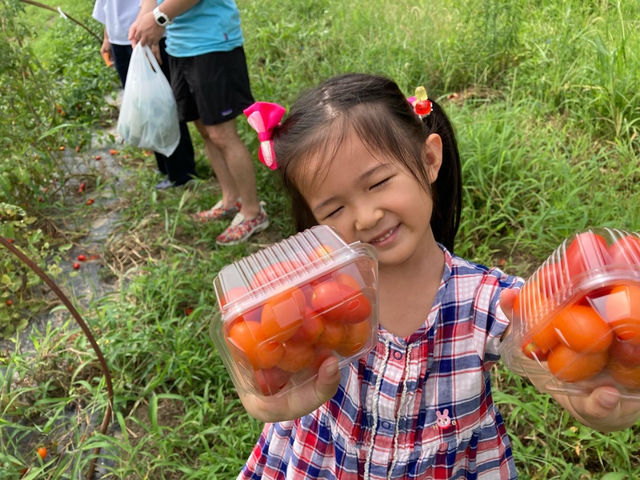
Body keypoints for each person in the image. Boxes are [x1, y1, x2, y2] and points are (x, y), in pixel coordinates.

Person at [235, 74, 640, 479]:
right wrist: (265, 399)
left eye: (378, 183)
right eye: (333, 210)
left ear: (429, 160)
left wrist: (598, 406)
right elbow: (269, 374)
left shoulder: (485, 299)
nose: (365, 216)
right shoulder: (316, 303)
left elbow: (556, 360)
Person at [129, 0, 269, 245]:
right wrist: (144, 21)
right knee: (204, 129)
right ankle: (230, 200)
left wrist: (158, 18)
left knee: (221, 134)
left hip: (212, 44)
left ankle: (252, 211)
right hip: (179, 46)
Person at [92, 0, 197, 190]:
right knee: (143, 103)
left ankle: (182, 171)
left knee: (161, 104)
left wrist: (151, 38)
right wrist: (107, 37)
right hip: (121, 39)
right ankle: (165, 167)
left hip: (145, 35)